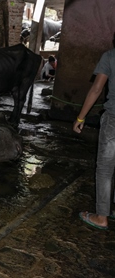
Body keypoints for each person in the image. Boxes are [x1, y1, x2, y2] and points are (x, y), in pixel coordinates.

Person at [73, 33, 115, 230]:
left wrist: (81, 118)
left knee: (105, 169)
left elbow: (97, 89)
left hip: (113, 119)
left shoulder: (110, 56)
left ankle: (101, 216)